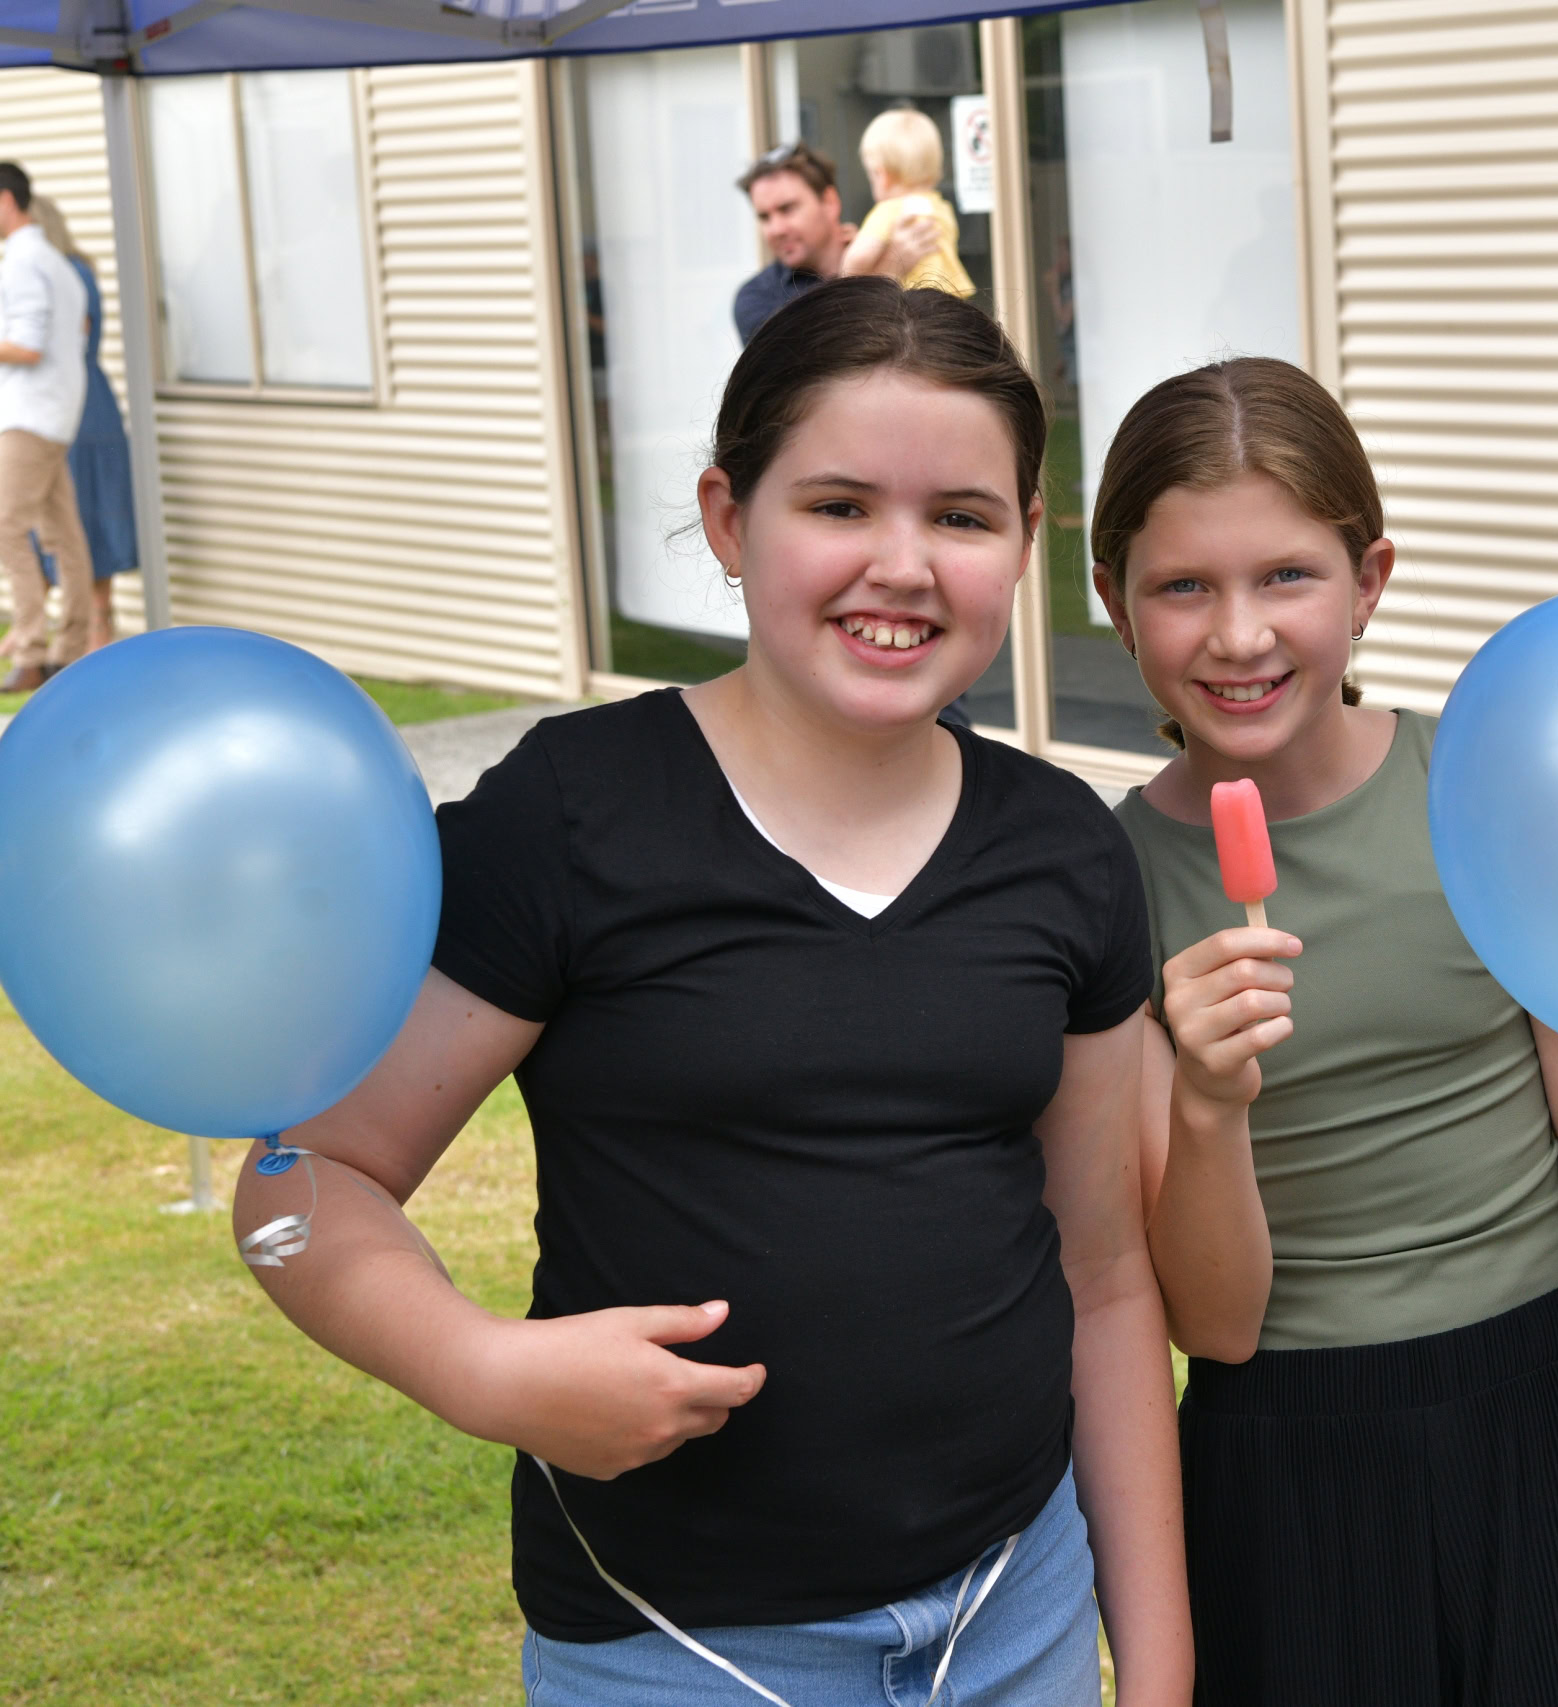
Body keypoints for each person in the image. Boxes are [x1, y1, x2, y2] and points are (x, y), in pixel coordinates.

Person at [232, 279, 1190, 1707]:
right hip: (673, 1643)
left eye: (963, 517)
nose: (904, 563)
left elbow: (1107, 1277)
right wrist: (483, 1368)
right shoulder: (569, 818)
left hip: (1018, 1607)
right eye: (841, 504)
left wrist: (1158, 1663)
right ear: (730, 518)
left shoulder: (1067, 850)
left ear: (1025, 544)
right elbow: (303, 1176)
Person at [1094, 356, 1558, 1706]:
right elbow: (1217, 1319)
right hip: (1286, 1449)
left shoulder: (1486, 785)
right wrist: (1207, 1100)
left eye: (1287, 577)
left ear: (1368, 579)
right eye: (1183, 585)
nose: (1239, 634)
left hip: (1551, 1395)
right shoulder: (1103, 883)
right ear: (1114, 604)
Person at [29, 195, 136, 654]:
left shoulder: (67, 275)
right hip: (72, 402)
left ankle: (94, 625)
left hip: (79, 407)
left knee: (85, 513)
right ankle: (80, 627)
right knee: (65, 516)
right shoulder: (63, 273)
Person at [0, 161, 91, 691]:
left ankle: (31, 650)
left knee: (6, 525)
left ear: (7, 202)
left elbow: (29, 347)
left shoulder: (22, 262)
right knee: (64, 536)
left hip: (30, 415)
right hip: (56, 413)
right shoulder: (58, 263)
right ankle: (70, 649)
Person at [730, 141, 941, 342]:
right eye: (764, 217)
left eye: (787, 209)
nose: (776, 230)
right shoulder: (757, 296)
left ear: (830, 202)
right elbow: (807, 364)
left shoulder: (892, 250)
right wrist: (883, 277)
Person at [854, 109, 975, 300]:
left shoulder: (890, 211)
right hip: (948, 300)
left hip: (907, 306)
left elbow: (856, 261)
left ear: (881, 175)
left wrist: (849, 254)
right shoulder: (941, 209)